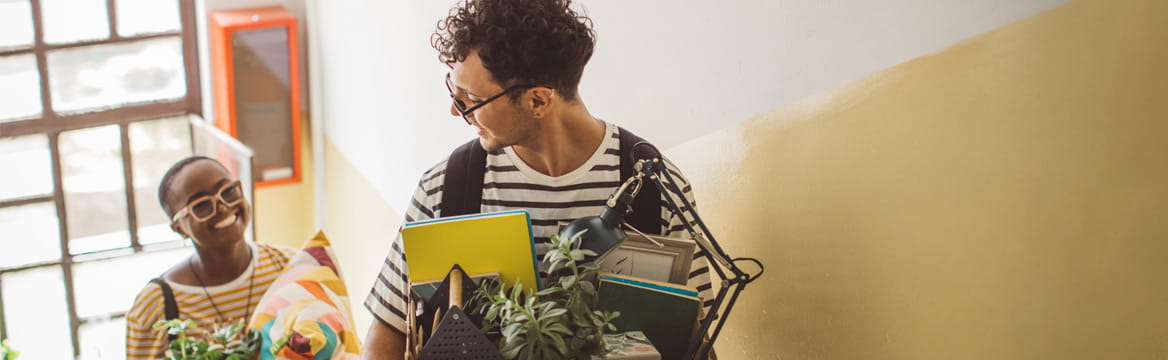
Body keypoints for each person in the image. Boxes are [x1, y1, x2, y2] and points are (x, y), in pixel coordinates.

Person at [361, 0, 714, 358]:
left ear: (538, 101)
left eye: (471, 99)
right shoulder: (443, 189)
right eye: (454, 91)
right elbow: (386, 337)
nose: (456, 108)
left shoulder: (656, 187)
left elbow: (700, 341)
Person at [125, 156, 296, 359]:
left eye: (228, 191)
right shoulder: (156, 306)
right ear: (179, 228)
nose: (223, 207)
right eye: (202, 205)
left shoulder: (290, 267)